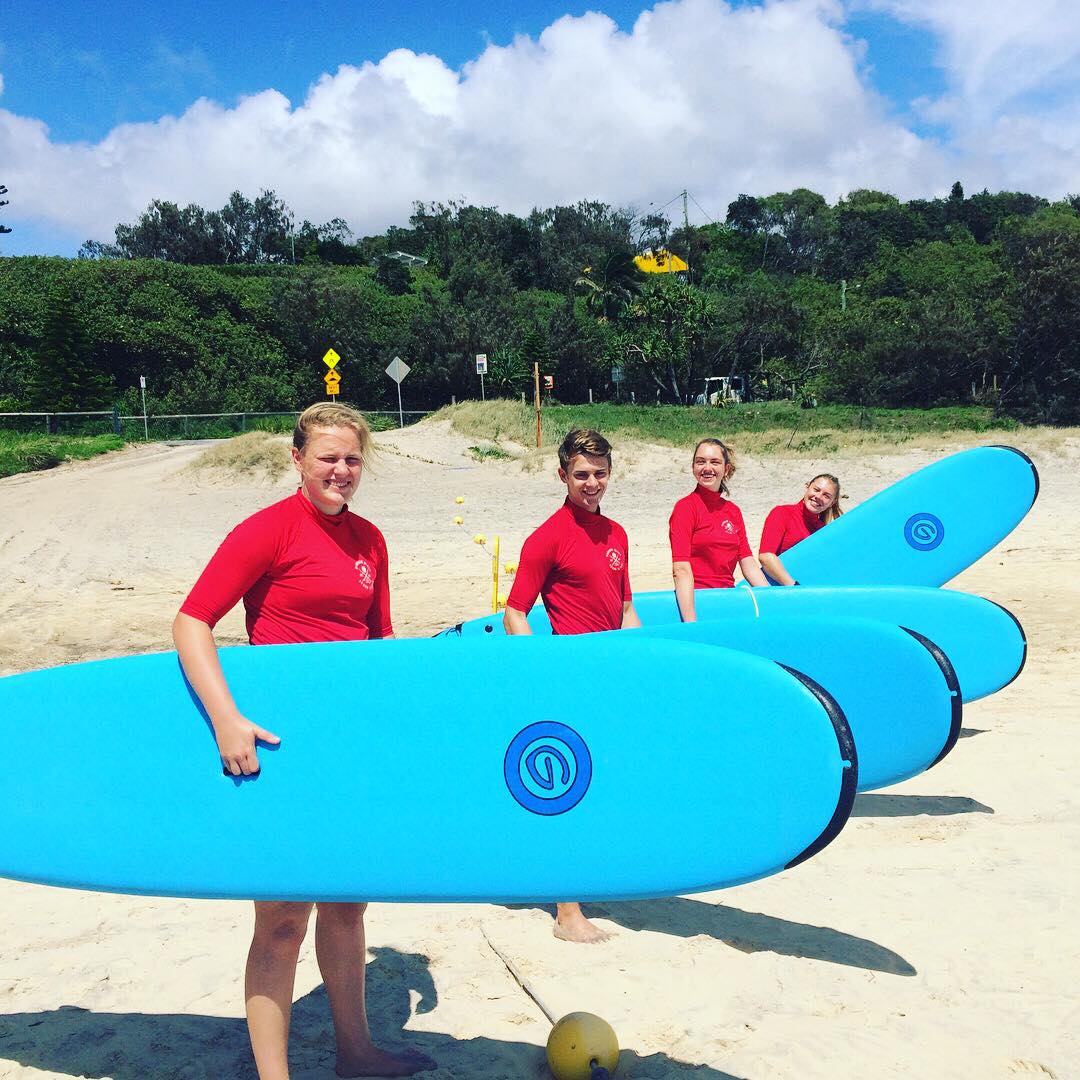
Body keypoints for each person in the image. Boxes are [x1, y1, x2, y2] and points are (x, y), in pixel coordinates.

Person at [172, 402, 434, 1080]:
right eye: (327, 458)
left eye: (351, 459)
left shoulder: (371, 542)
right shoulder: (268, 531)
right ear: (297, 459)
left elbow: (379, 645)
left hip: (349, 750)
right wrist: (226, 718)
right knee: (283, 918)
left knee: (346, 906)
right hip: (281, 751)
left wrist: (398, 733)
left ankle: (356, 1052)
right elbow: (192, 621)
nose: (340, 471)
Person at [503, 428, 640, 944]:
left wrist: (639, 666)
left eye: (599, 474)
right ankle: (567, 911)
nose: (591, 483)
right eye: (581, 474)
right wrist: (542, 668)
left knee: (606, 781)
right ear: (562, 475)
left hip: (611, 677)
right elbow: (516, 611)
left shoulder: (618, 535)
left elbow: (626, 608)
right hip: (569, 679)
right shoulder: (548, 536)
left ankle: (585, 879)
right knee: (569, 790)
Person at [669, 438, 769, 623]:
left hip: (727, 599)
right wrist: (691, 622)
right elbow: (681, 569)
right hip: (696, 600)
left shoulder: (733, 511)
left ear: (726, 469)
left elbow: (747, 562)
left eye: (715, 462)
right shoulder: (685, 508)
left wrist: (770, 600)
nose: (707, 468)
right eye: (701, 461)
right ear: (693, 468)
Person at [757, 473, 843, 586]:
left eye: (826, 496)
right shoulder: (782, 513)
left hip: (805, 591)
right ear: (807, 487)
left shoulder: (823, 532)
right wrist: (794, 587)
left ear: (832, 503)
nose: (818, 497)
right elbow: (765, 556)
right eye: (816, 490)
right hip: (776, 589)